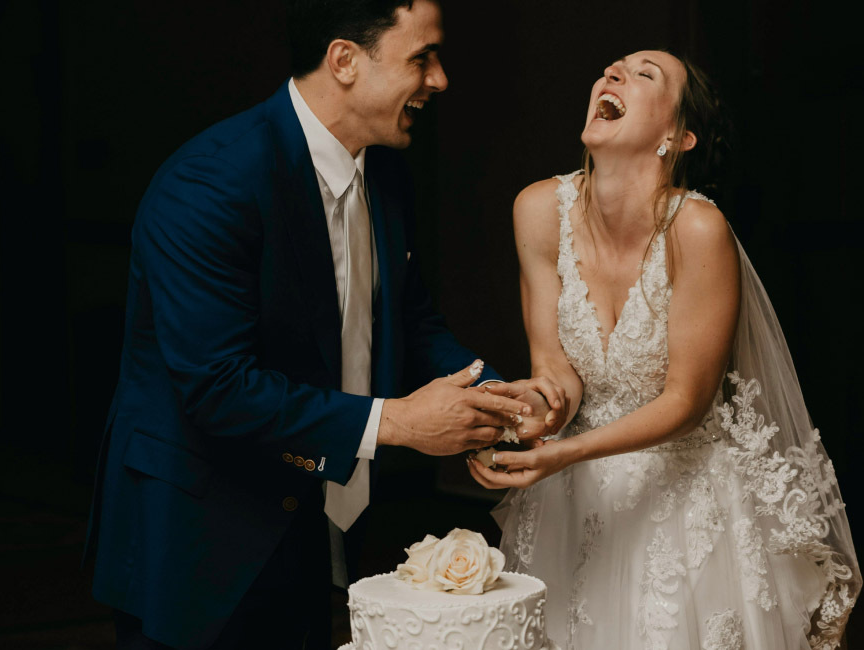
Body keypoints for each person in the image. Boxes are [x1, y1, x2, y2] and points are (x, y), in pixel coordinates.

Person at [84, 1, 565, 648]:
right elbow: (218, 386)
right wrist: (399, 423)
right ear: (344, 60)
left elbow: (411, 321)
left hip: (316, 521)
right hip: (198, 531)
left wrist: (494, 399)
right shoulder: (210, 183)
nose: (440, 79)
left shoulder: (386, 170)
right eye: (421, 58)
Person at [468, 50, 861, 649]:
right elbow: (555, 372)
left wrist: (564, 454)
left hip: (683, 505)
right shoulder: (537, 210)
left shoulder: (697, 229)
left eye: (644, 73)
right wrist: (522, 414)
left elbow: (687, 402)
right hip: (573, 501)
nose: (612, 73)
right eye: (613, 68)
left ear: (677, 137)